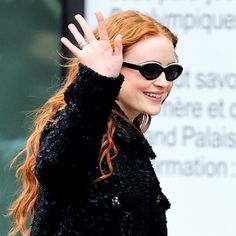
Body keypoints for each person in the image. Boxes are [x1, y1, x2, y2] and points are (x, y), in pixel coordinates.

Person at [9, 10, 183, 236]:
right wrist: (97, 82)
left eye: (171, 71)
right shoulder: (81, 126)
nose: (163, 82)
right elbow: (57, 167)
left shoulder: (126, 140)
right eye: (150, 70)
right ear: (111, 68)